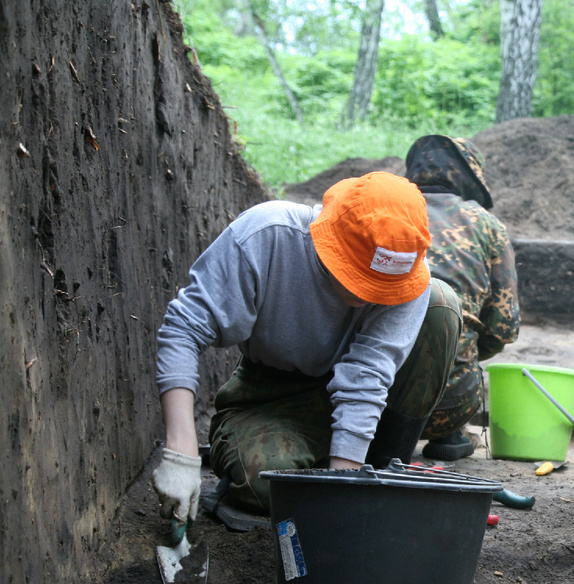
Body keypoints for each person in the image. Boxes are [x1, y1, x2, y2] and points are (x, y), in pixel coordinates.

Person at [151, 172, 462, 523]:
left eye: (381, 288)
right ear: (331, 241)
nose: (367, 298)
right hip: (273, 397)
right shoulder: (266, 236)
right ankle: (319, 466)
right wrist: (181, 452)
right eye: (360, 279)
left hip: (370, 405)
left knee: (441, 305)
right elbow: (183, 328)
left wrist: (344, 490)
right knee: (266, 482)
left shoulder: (405, 272)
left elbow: (368, 376)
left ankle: (381, 468)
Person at [404, 135, 520, 461]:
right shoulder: (488, 226)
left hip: (366, 400)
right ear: (469, 176)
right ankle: (449, 434)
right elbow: (503, 329)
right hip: (450, 404)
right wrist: (455, 355)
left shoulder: (382, 211)